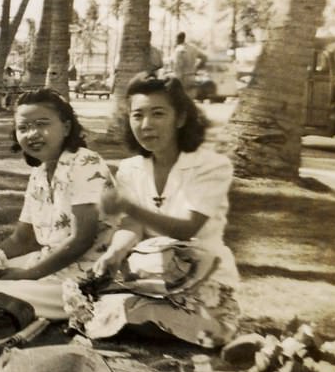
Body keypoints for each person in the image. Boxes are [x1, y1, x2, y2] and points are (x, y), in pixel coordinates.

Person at [89, 73, 240, 346]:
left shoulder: (212, 165)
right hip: (152, 276)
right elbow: (131, 227)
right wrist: (114, 253)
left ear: (180, 118)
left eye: (158, 114)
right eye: (137, 115)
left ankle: (201, 325)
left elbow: (187, 228)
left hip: (204, 274)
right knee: (104, 314)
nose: (146, 125)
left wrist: (128, 206)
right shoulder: (130, 168)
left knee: (133, 320)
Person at [0, 89, 117, 318]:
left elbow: (82, 239)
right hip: (49, 262)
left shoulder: (86, 163)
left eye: (42, 124)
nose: (33, 134)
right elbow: (23, 239)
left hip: (88, 269)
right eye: (24, 128)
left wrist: (28, 275)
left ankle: (72, 301)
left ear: (66, 127)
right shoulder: (39, 172)